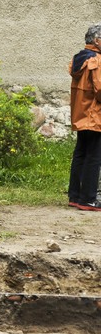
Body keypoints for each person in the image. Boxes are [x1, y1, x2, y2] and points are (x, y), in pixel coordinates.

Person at [68, 22, 101, 211]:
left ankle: (75, 196)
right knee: (94, 156)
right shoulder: (96, 60)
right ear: (97, 41)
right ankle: (88, 198)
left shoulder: (79, 58)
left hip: (81, 114)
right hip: (95, 115)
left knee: (80, 153)